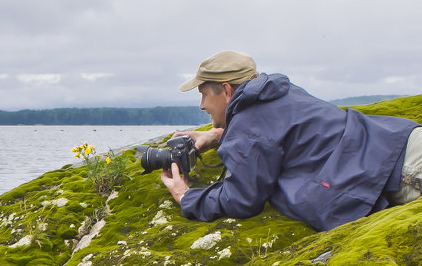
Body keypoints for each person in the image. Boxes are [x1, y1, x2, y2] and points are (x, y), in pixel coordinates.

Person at [159, 50, 422, 231]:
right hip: (402, 142)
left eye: (204, 94)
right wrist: (218, 134)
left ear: (227, 90)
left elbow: (241, 199)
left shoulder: (250, 126)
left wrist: (185, 196)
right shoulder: (279, 93)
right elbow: (277, 132)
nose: (202, 105)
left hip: (404, 170)